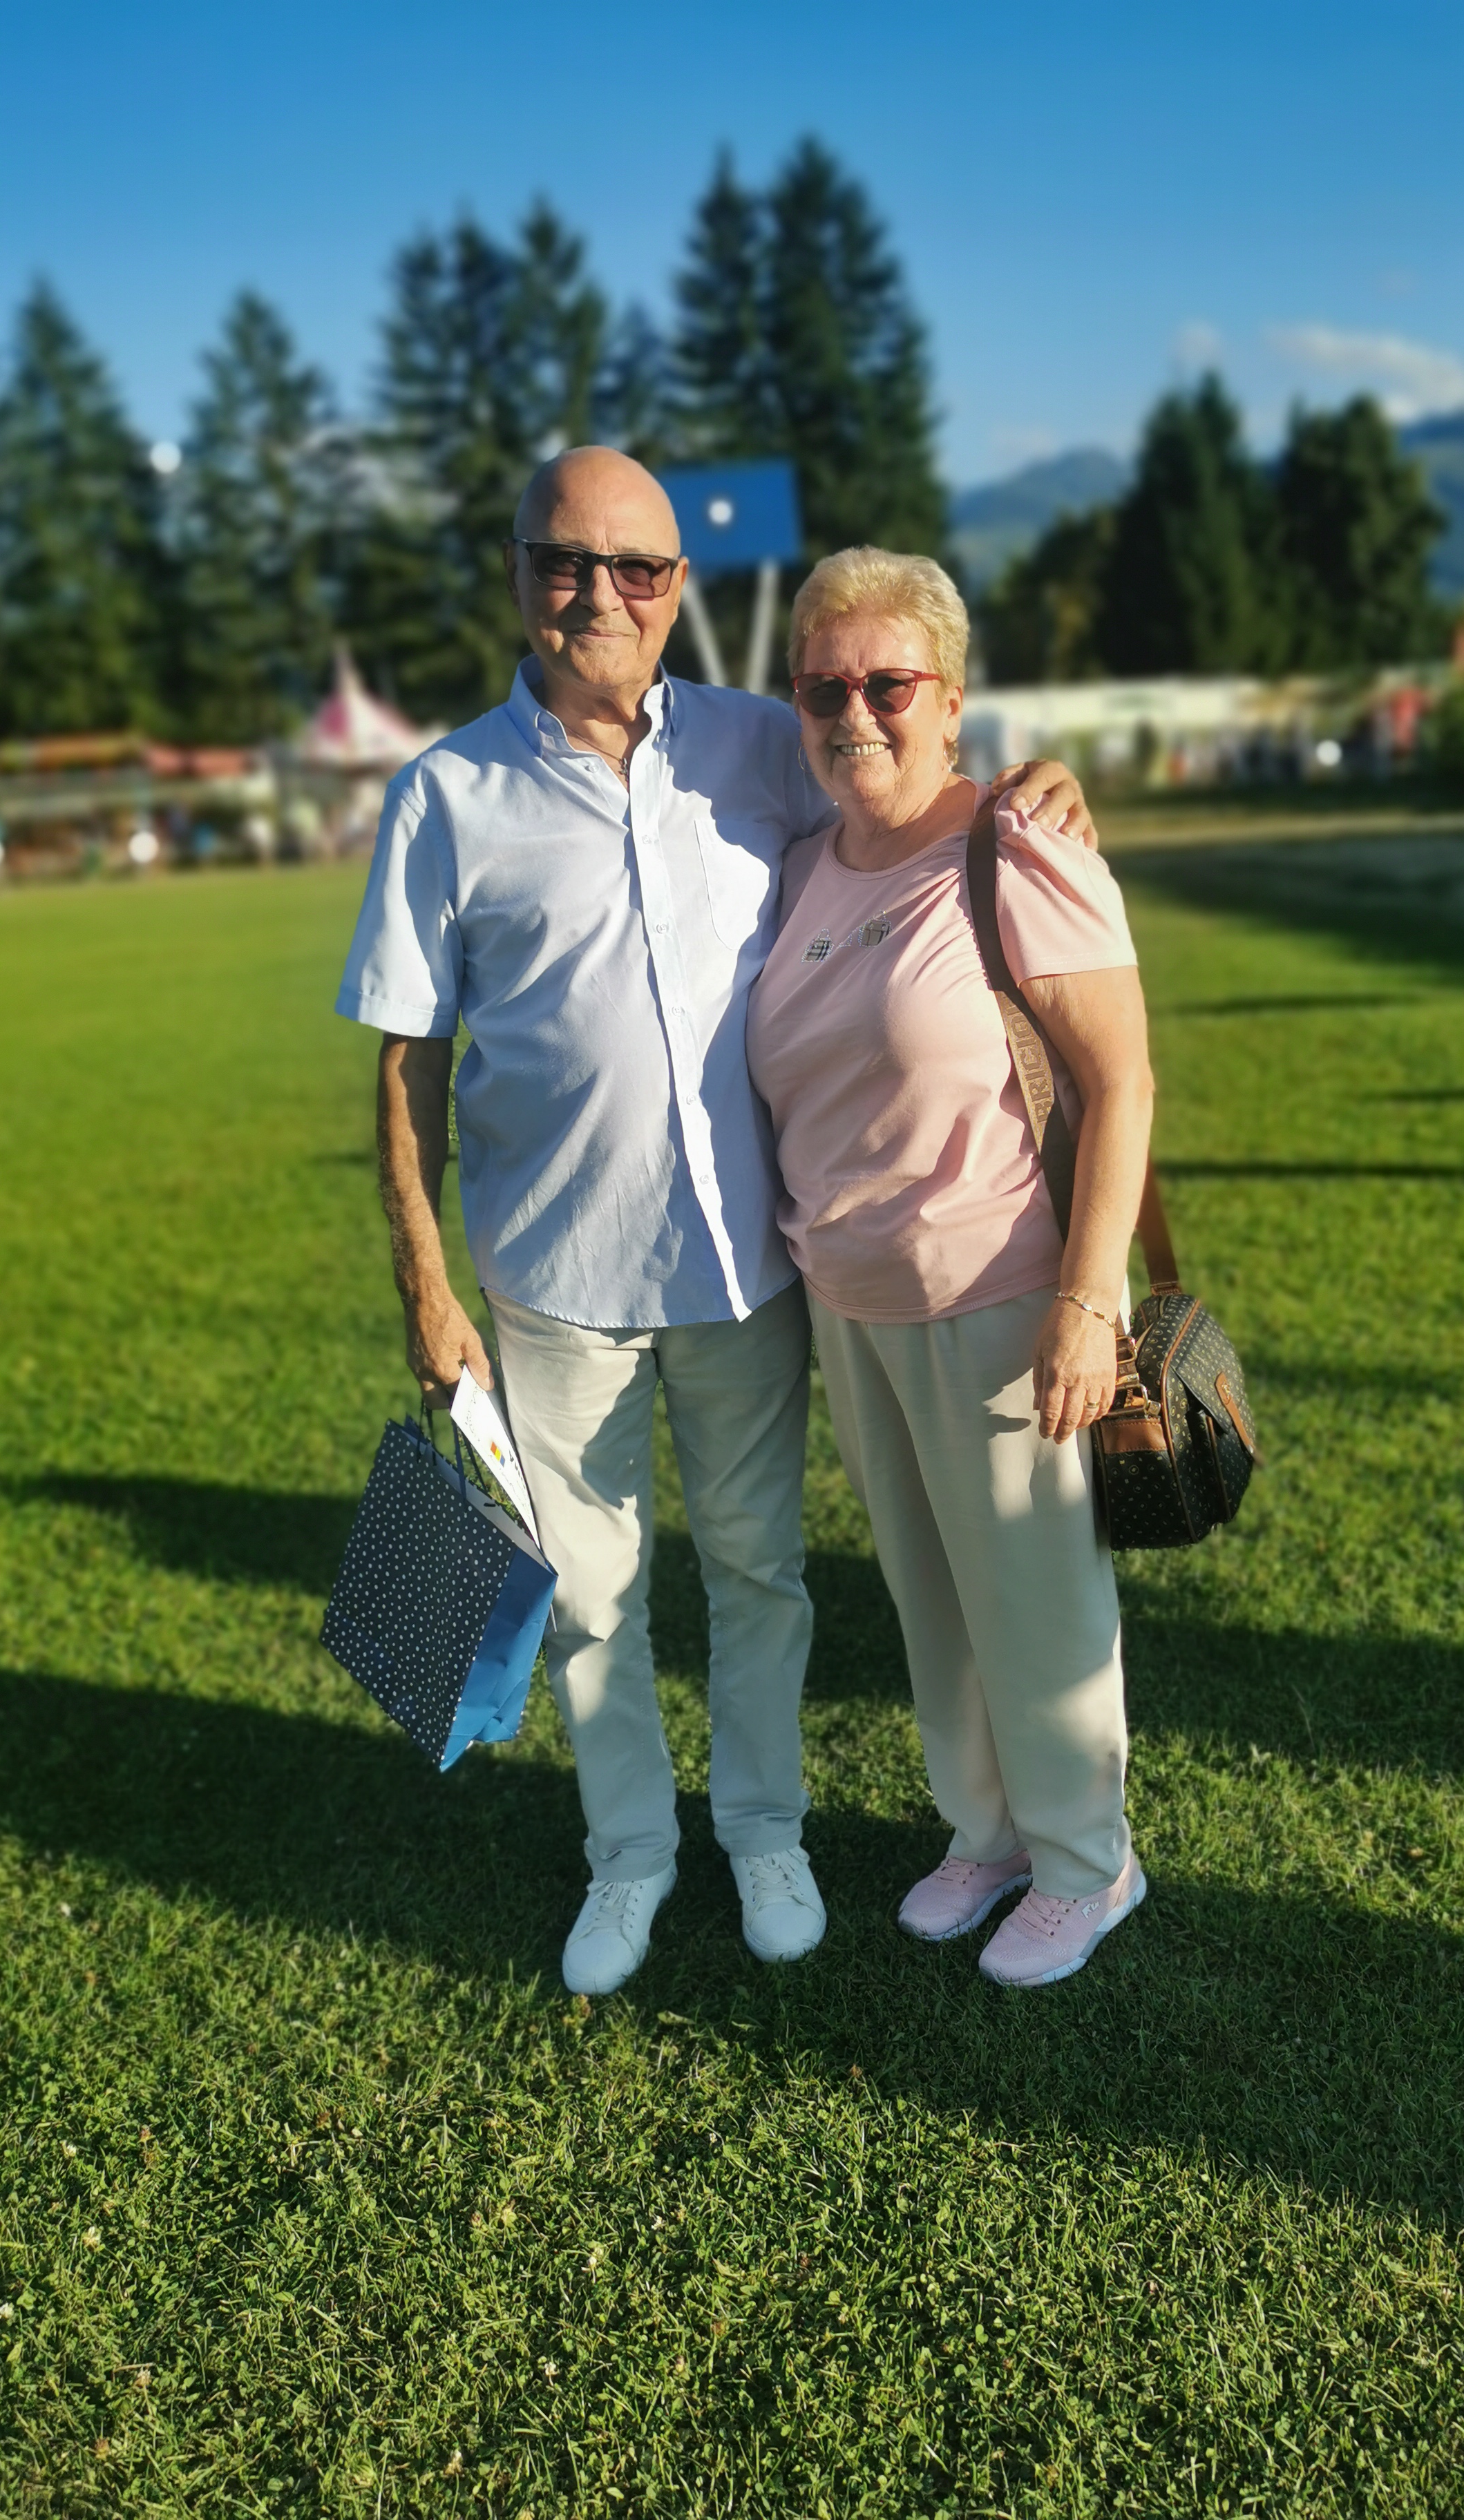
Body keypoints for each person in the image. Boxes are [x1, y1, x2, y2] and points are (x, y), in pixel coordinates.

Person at [336, 450, 1093, 1998]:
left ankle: (762, 1832)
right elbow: (407, 1063)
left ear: (678, 588)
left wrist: (1037, 786)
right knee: (594, 1603)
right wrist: (423, 1279)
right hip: (552, 1280)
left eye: (636, 568)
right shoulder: (446, 795)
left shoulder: (764, 740)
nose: (598, 595)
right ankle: (631, 1854)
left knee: (760, 1576)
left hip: (751, 1269)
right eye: (565, 561)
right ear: (518, 572)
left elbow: (906, 783)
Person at [745, 548, 1154, 1989]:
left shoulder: (1017, 847)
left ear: (952, 697)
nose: (854, 713)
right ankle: (984, 1833)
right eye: (824, 689)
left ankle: (1087, 1861)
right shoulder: (802, 867)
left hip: (1005, 1298)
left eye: (888, 684)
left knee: (1037, 1601)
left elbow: (1122, 1084)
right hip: (852, 1304)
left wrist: (1087, 1302)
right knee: (933, 1600)